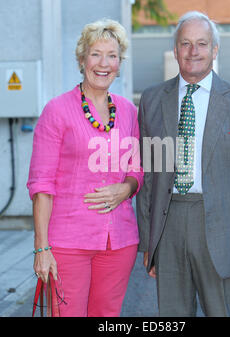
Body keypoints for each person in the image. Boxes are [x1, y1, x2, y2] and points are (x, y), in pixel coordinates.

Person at [136, 11, 230, 317]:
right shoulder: (152, 100)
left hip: (221, 229)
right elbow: (149, 178)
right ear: (175, 49)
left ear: (215, 49)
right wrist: (148, 243)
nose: (193, 52)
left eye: (201, 43)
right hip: (168, 227)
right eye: (185, 43)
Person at [27, 19, 143, 317]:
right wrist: (42, 248)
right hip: (67, 242)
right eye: (96, 54)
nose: (104, 63)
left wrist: (126, 188)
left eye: (112, 55)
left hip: (119, 241)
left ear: (120, 63)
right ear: (82, 60)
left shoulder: (129, 111)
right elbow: (42, 184)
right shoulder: (57, 110)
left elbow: (137, 168)